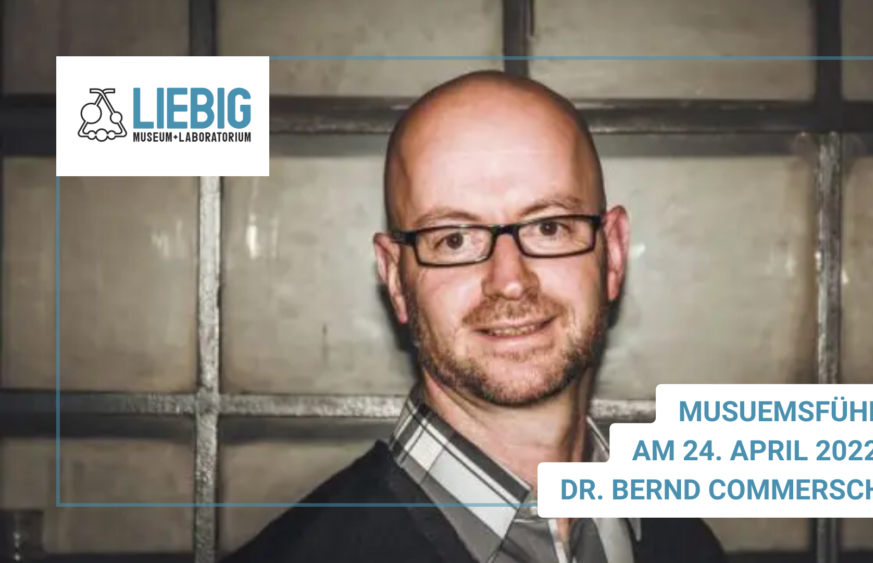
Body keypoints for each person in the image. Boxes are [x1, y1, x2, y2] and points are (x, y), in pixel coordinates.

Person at [222, 70, 727, 563]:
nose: (510, 280)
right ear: (396, 278)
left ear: (612, 252)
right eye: (454, 239)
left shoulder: (687, 544)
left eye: (549, 227)